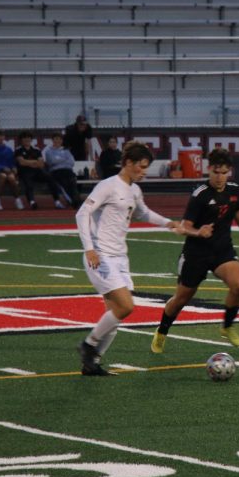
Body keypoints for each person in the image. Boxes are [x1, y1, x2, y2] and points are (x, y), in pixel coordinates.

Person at [75, 141, 181, 376]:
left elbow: (143, 213)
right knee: (126, 306)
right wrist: (89, 248)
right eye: (141, 167)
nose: (144, 172)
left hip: (120, 258)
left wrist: (168, 223)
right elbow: (83, 212)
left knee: (115, 315)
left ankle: (92, 363)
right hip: (101, 256)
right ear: (128, 163)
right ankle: (88, 345)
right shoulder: (108, 185)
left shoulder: (134, 190)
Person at [151, 147, 239, 353]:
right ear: (209, 170)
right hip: (196, 254)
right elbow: (183, 227)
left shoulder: (234, 190)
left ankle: (227, 326)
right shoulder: (200, 195)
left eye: (223, 172)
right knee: (181, 299)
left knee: (238, 285)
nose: (219, 176)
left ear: (229, 171)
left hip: (222, 250)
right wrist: (199, 232)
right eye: (216, 171)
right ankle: (161, 331)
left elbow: (238, 212)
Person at [15, 131, 62, 210]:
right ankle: (32, 202)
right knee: (28, 184)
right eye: (25, 138)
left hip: (37, 171)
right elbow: (22, 162)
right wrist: (34, 162)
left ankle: (57, 201)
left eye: (28, 138)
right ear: (21, 140)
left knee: (51, 178)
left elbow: (41, 164)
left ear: (31, 139)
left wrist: (29, 162)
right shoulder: (18, 150)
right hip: (24, 172)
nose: (27, 139)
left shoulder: (36, 149)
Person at [0, 130, 24, 210]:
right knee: (2, 176)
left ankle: (17, 199)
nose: (0, 138)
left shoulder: (8, 150)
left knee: (12, 178)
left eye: (1, 136)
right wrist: (2, 168)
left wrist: (13, 167)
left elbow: (12, 162)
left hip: (7, 171)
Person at [43, 133, 81, 209]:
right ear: (52, 140)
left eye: (60, 139)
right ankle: (73, 201)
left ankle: (76, 200)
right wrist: (64, 160)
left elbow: (71, 162)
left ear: (62, 140)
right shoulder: (48, 151)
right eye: (56, 138)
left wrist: (58, 159)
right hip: (56, 171)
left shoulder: (66, 150)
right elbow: (51, 162)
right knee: (64, 184)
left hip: (68, 170)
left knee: (72, 183)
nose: (58, 140)